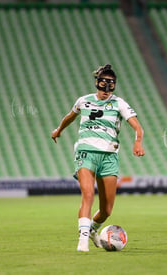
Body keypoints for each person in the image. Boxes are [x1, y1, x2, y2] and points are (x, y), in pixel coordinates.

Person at [51, 64, 145, 251]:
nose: (105, 92)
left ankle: (93, 230)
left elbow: (137, 127)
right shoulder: (83, 101)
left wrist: (138, 142)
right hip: (86, 152)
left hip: (109, 156)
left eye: (110, 87)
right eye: (103, 87)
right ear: (97, 84)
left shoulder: (119, 103)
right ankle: (83, 240)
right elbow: (70, 116)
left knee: (106, 210)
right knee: (87, 194)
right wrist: (59, 130)